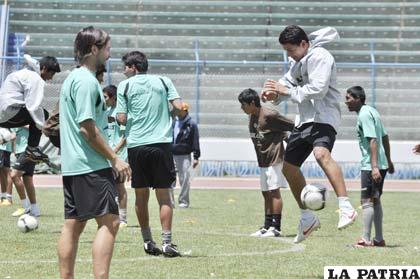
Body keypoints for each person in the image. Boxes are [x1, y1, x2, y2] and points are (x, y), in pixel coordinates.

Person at [261, 25, 357, 243]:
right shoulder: (296, 62)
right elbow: (286, 85)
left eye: (290, 49)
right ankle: (307, 217)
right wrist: (273, 94)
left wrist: (286, 91)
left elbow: (318, 90)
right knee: (289, 168)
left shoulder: (321, 56)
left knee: (321, 154)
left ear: (304, 44)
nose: (289, 54)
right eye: (286, 50)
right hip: (304, 121)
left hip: (324, 117)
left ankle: (345, 206)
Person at [57, 26, 131, 279]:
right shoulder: (86, 81)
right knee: (110, 222)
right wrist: (114, 157)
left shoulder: (72, 78)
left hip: (73, 165)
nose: (110, 53)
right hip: (90, 164)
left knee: (73, 225)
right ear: (93, 49)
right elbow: (87, 128)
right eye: (107, 48)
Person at [116, 51, 183, 257]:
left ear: (134, 67)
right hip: (161, 144)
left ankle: (147, 241)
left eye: (125, 66)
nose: (124, 70)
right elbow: (180, 108)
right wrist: (167, 113)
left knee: (141, 195)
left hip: (136, 146)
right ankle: (167, 243)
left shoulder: (124, 86)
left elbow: (121, 118)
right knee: (164, 196)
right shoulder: (164, 81)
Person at [238, 88, 294, 237]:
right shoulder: (252, 117)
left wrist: (294, 149)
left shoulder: (270, 114)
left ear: (252, 102)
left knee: (274, 192)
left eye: (243, 104)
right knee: (265, 193)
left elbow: (292, 126)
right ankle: (267, 226)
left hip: (275, 159)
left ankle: (276, 228)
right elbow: (276, 132)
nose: (241, 108)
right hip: (263, 161)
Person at [345, 86, 394, 247]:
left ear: (358, 98)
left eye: (348, 98)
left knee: (367, 201)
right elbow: (385, 137)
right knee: (376, 200)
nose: (346, 102)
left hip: (371, 165)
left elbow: (373, 139)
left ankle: (365, 239)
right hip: (381, 163)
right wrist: (388, 160)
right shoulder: (372, 111)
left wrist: (374, 167)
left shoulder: (364, 115)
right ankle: (379, 239)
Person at [0, 55, 61, 164]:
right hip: (9, 113)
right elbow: (33, 107)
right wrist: (43, 127)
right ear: (44, 69)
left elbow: (31, 59)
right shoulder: (36, 79)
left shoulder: (27, 72)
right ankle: (32, 148)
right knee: (43, 114)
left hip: (4, 113)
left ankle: (28, 147)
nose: (51, 78)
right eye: (51, 74)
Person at [103, 85, 128, 227]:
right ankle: (112, 215)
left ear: (113, 97)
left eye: (106, 97)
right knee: (109, 186)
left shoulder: (120, 112)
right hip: (108, 154)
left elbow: (126, 136)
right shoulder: (107, 110)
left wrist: (115, 152)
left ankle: (123, 218)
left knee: (119, 186)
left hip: (119, 155)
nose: (104, 99)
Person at [171, 102, 200, 208]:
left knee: (185, 179)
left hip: (184, 155)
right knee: (169, 179)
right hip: (171, 154)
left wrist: (196, 156)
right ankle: (170, 201)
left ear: (184, 110)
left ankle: (183, 201)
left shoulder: (191, 124)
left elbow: (195, 140)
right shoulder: (173, 122)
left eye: (179, 110)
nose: (177, 111)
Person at [10, 127, 40, 217]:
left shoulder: (28, 117)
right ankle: (35, 210)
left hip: (28, 151)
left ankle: (25, 207)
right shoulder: (15, 121)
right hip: (20, 152)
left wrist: (22, 124)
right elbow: (14, 136)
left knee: (14, 175)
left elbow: (37, 128)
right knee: (27, 179)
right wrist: (15, 150)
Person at [0, 128, 15, 206]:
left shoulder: (7, 121)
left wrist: (3, 140)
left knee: (7, 173)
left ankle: (9, 199)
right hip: (2, 149)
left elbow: (13, 135)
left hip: (3, 149)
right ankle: (3, 197)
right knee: (2, 174)